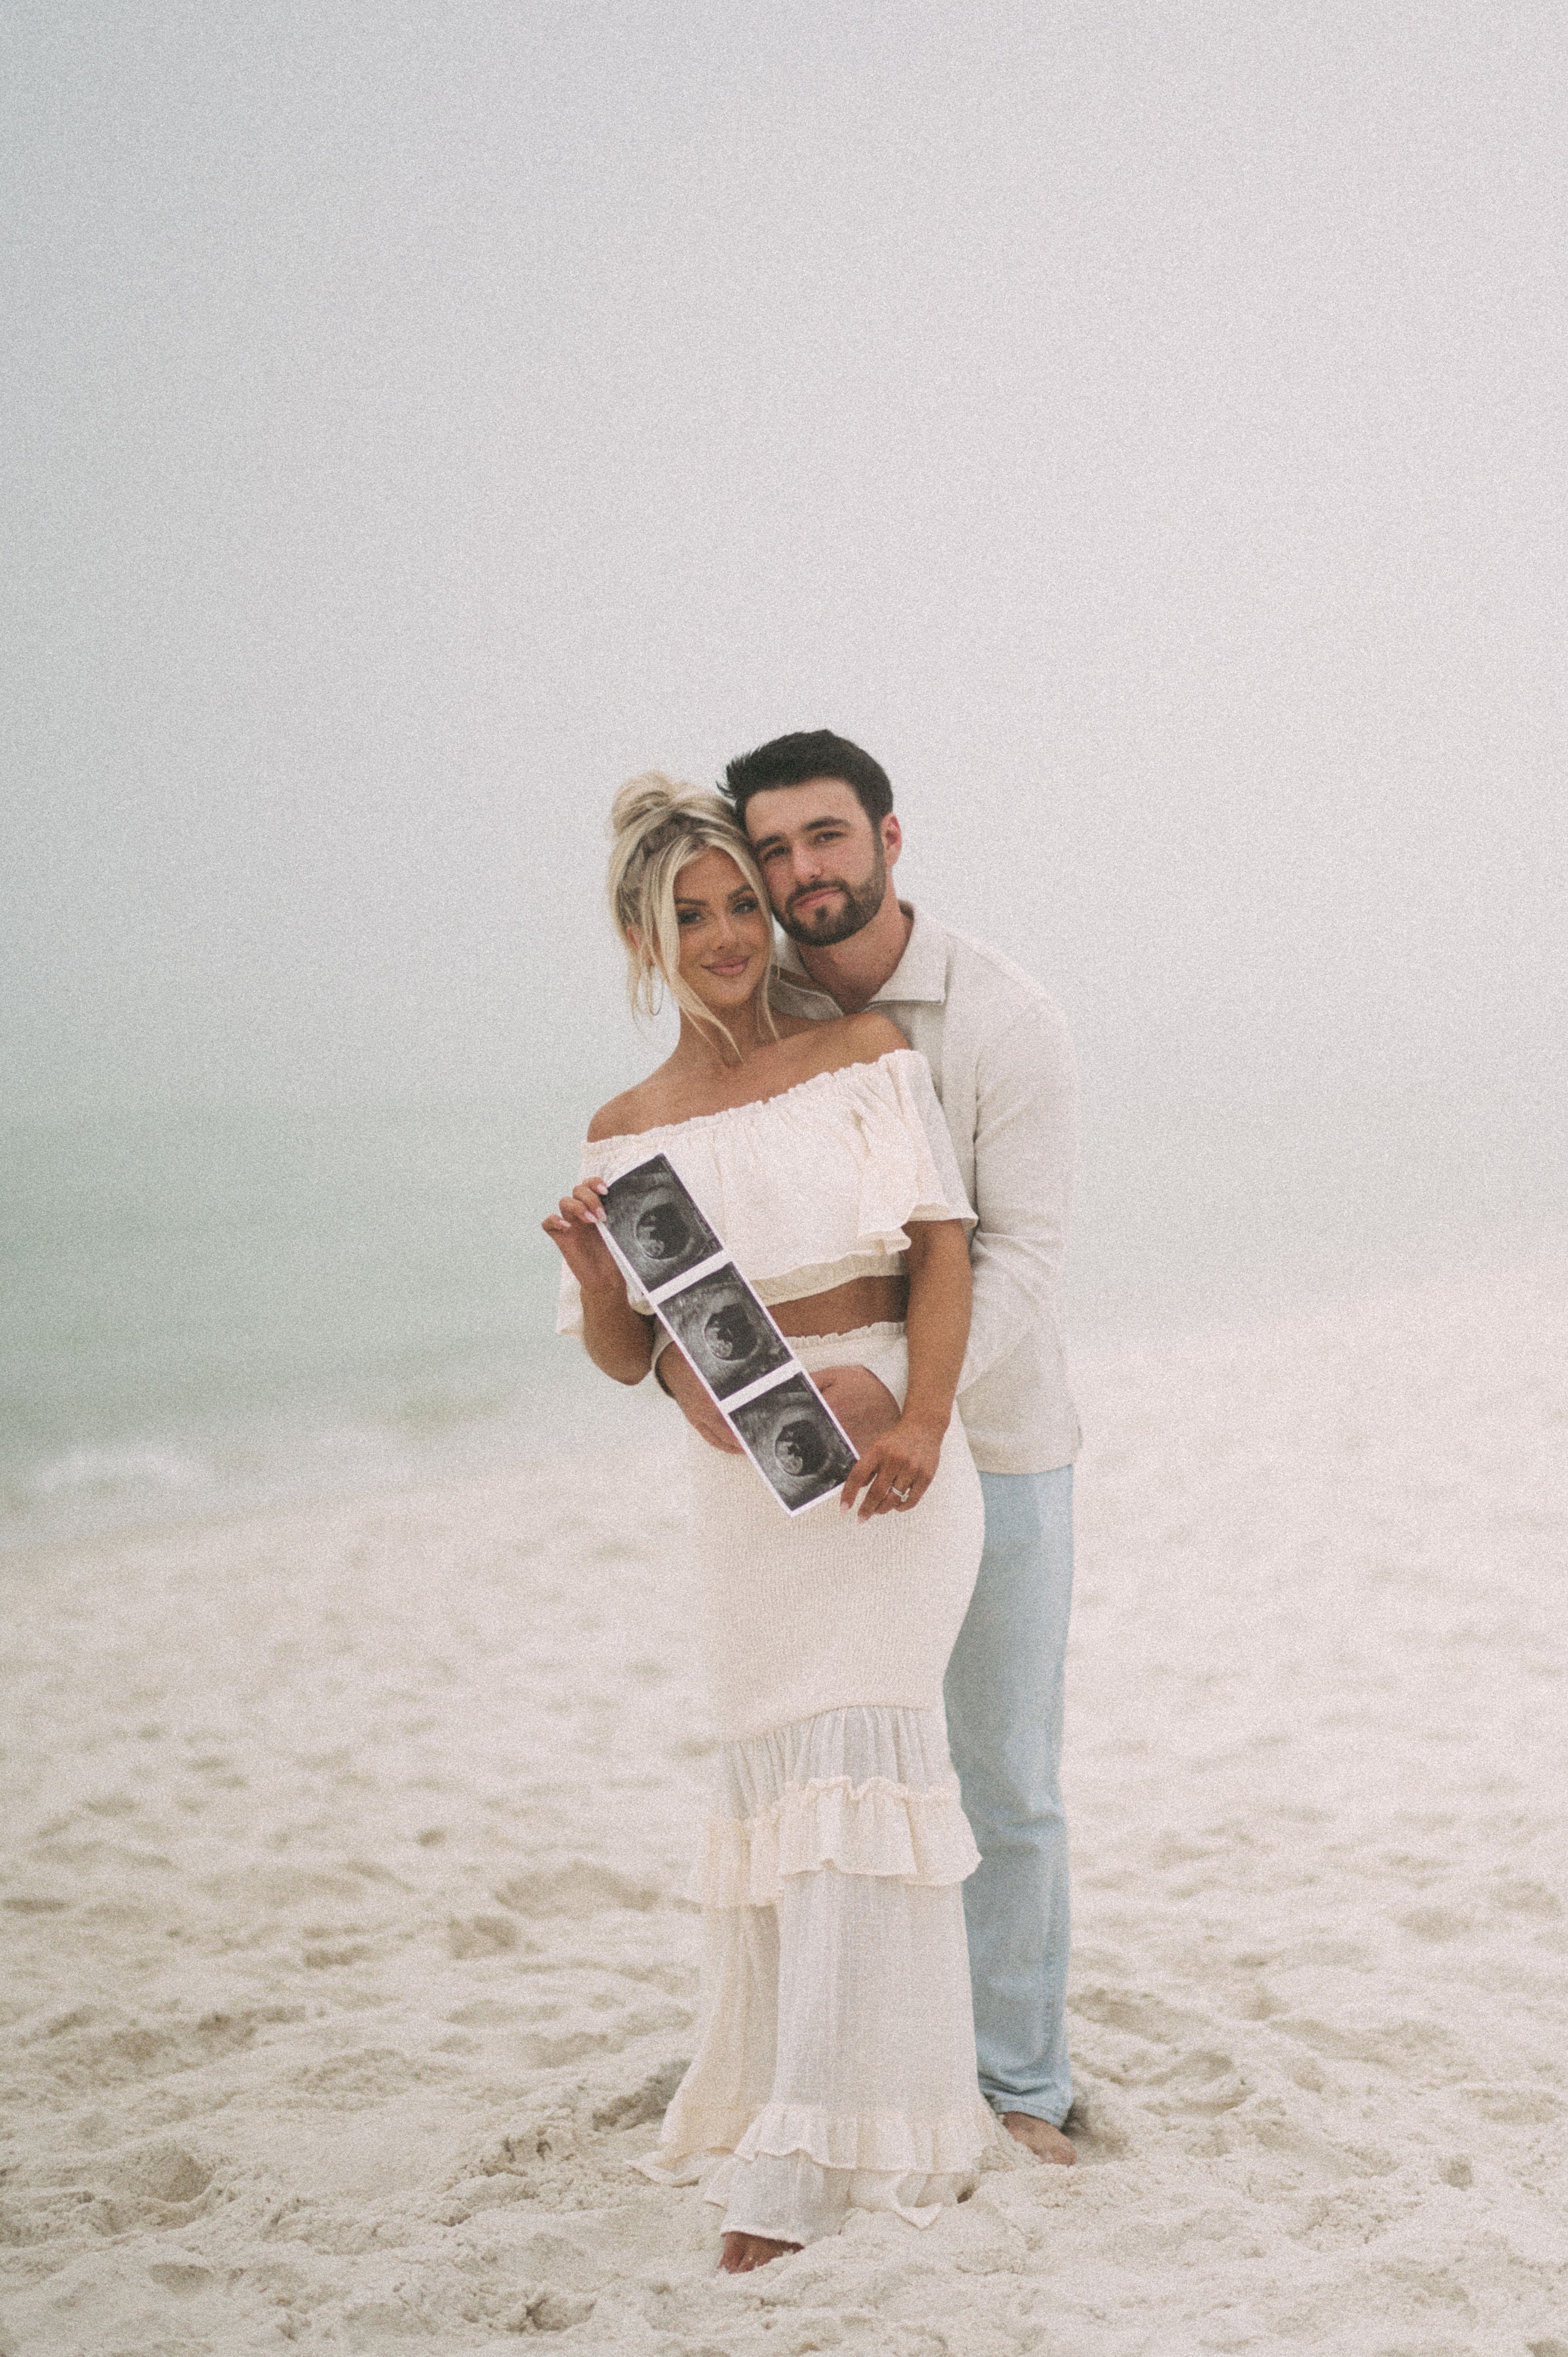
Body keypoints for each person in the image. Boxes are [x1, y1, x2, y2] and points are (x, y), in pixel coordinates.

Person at [545, 775, 1002, 2271]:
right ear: (641, 935)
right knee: (779, 1789)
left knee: (866, 1759)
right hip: (744, 1478)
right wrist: (602, 1276)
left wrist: (926, 1416)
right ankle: (788, 2104)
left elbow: (941, 1248)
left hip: (886, 1454)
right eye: (692, 914)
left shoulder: (860, 1052)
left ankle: (818, 2149)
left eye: (743, 900)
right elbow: (630, 1360)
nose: (731, 933)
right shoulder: (623, 1133)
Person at [654, 731, 1081, 2166]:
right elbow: (717, 1249)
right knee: (837, 1767)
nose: (796, 876)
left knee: (998, 1774)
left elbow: (1019, 1255)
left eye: (824, 841)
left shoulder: (1002, 1017)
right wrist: (694, 1374)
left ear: (890, 838)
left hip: (992, 1440)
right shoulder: (750, 1014)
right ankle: (845, 2066)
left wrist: (916, 1406)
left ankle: (1017, 2088)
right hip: (806, 1464)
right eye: (771, 853)